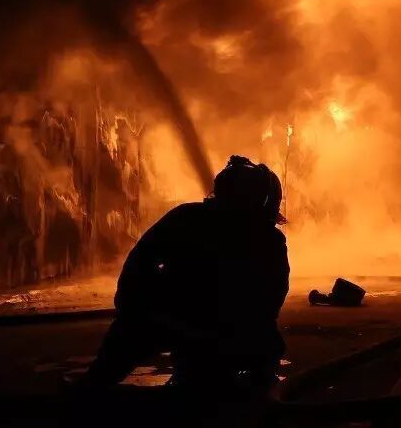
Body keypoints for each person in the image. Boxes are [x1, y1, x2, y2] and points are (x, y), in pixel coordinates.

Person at [80, 155, 290, 392]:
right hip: (195, 324)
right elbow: (272, 299)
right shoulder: (267, 239)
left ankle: (91, 388)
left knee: (129, 339)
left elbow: (139, 263)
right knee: (261, 352)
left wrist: (136, 308)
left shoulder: (186, 218)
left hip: (195, 324)